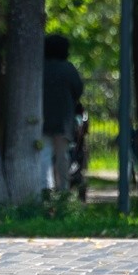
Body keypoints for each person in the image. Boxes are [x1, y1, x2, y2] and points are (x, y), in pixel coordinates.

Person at [41, 34, 84, 191]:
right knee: (62, 155)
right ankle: (63, 188)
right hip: (64, 120)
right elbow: (78, 90)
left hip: (42, 118)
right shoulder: (68, 69)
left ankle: (44, 188)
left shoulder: (40, 68)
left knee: (44, 155)